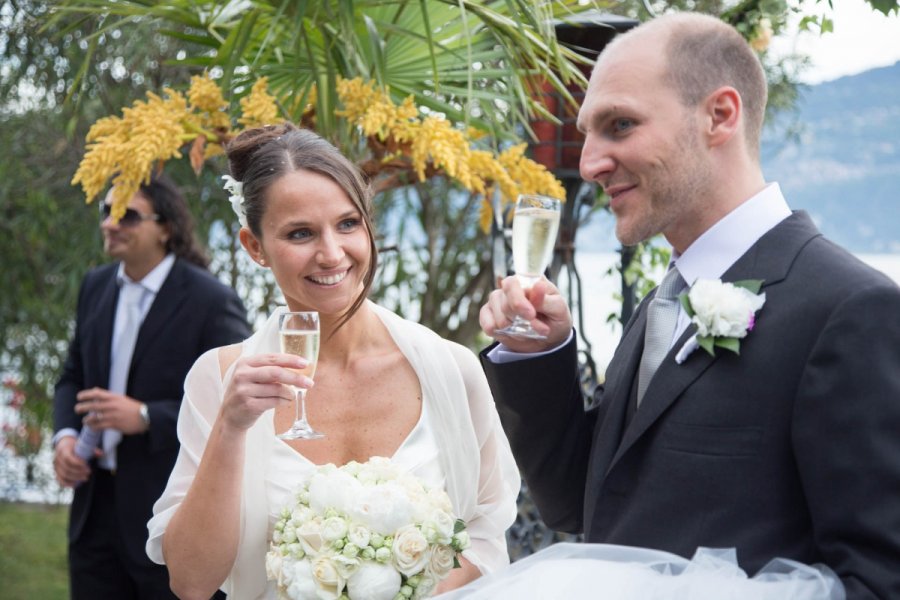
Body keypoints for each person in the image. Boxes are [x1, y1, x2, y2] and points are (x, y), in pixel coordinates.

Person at [479, 12, 900, 599]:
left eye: (619, 125)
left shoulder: (852, 311)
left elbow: (881, 580)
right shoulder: (661, 303)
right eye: (588, 132)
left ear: (719, 115)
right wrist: (540, 354)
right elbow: (584, 503)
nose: (589, 162)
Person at [145, 123, 520, 599]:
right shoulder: (219, 379)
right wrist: (232, 426)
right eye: (300, 233)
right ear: (254, 246)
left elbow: (486, 541)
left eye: (347, 224)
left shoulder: (451, 371)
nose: (331, 253)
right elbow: (191, 583)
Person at [52, 172, 252, 599]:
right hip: (94, 508)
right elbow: (72, 375)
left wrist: (145, 416)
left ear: (165, 227)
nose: (110, 223)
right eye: (107, 212)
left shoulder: (211, 300)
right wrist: (65, 437)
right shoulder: (95, 285)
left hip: (169, 508)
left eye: (126, 215)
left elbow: (233, 398)